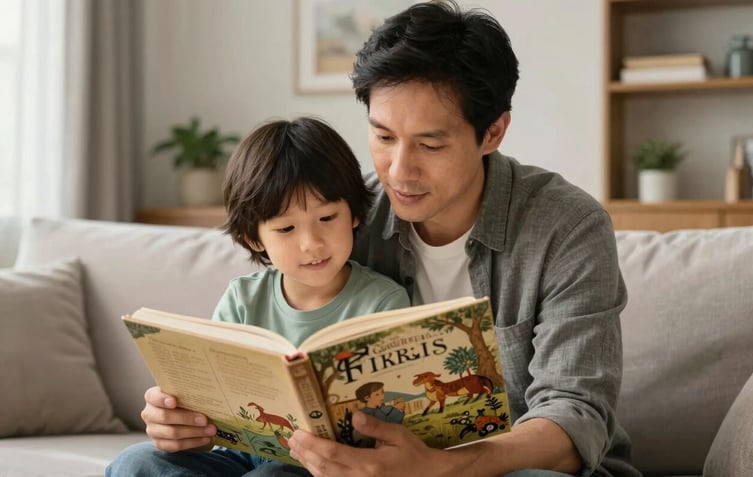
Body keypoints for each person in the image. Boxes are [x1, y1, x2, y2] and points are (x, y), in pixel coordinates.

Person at [121, 1, 642, 476]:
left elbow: (576, 414)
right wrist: (183, 417)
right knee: (145, 464)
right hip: (344, 464)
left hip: (503, 464)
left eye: (430, 144)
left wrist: (436, 467)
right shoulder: (345, 214)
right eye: (383, 136)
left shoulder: (567, 227)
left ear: (493, 132)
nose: (399, 171)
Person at [106, 116, 410, 476]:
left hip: (329, 467)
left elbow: (393, 421)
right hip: (245, 456)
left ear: (355, 214)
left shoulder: (383, 301)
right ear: (254, 238)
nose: (311, 243)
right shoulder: (242, 298)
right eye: (286, 228)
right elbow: (215, 419)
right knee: (137, 463)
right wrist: (186, 425)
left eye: (327, 218)